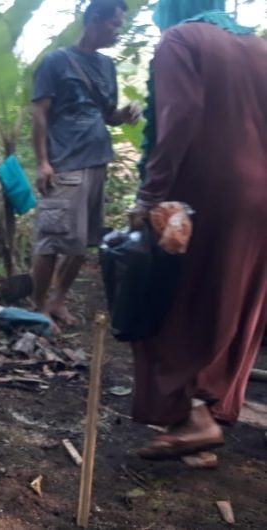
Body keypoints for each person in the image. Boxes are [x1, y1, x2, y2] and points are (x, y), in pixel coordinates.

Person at [125, 0, 267, 460]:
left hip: (203, 196)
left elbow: (178, 118)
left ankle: (193, 418)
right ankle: (203, 413)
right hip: (260, 202)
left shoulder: (181, 40)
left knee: (169, 298)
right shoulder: (259, 49)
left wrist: (150, 197)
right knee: (227, 305)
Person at [30, 0, 139, 327]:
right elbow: (40, 113)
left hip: (97, 163)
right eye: (114, 23)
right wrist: (42, 163)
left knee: (80, 244)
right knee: (51, 240)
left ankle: (58, 300)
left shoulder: (107, 67)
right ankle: (38, 308)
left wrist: (124, 115)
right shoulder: (56, 62)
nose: (117, 31)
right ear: (94, 19)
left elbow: (107, 115)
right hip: (65, 163)